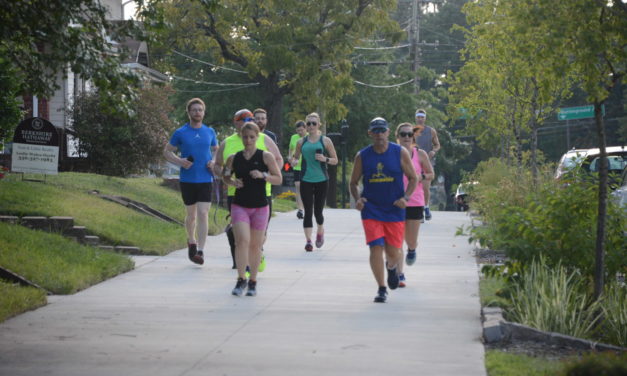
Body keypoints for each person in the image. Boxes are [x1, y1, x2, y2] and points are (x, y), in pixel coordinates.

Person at [349, 117, 418, 303]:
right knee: (375, 247)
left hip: (394, 208)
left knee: (394, 251)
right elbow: (353, 183)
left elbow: (413, 178)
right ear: (370, 133)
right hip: (371, 209)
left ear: (388, 132)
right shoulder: (362, 156)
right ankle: (381, 288)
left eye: (382, 130)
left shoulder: (400, 153)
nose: (379, 134)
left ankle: (392, 267)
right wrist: (358, 199)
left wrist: (406, 198)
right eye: (375, 131)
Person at [214, 109, 283, 269]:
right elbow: (218, 165)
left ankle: (257, 251)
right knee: (238, 233)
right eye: (242, 119)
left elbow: (278, 159)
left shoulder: (264, 139)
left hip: (262, 194)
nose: (247, 121)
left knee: (258, 235)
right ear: (235, 122)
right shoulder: (227, 142)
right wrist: (227, 179)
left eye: (250, 118)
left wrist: (267, 174)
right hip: (236, 194)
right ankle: (240, 264)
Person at [222, 122, 282, 296]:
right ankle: (241, 279)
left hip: (260, 206)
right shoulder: (234, 158)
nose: (248, 140)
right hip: (240, 204)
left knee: (255, 246)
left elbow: (278, 178)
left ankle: (253, 281)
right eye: (245, 137)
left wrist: (263, 175)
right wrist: (232, 182)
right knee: (241, 241)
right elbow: (225, 176)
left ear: (257, 137)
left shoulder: (266, 157)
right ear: (241, 137)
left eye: (251, 137)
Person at [163, 98, 218, 265]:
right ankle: (191, 240)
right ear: (189, 112)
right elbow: (167, 151)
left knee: (203, 213)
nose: (197, 112)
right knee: (191, 216)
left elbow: (216, 150)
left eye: (200, 110)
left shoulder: (210, 132)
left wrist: (214, 161)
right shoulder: (180, 132)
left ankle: (200, 251)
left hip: (205, 178)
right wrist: (180, 161)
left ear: (204, 112)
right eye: (194, 110)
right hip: (187, 179)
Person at [290, 113, 338, 252]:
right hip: (305, 178)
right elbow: (295, 158)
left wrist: (325, 159)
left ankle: (321, 229)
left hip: (322, 179)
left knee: (318, 211)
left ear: (319, 125)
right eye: (308, 124)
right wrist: (293, 161)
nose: (311, 126)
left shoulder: (325, 141)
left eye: (313, 123)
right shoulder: (301, 142)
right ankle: (308, 241)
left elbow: (335, 160)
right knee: (308, 210)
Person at [395, 122, 434, 287]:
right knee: (396, 241)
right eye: (403, 135)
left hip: (415, 201)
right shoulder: (391, 153)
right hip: (395, 201)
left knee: (410, 240)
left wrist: (421, 178)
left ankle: (412, 249)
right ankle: (399, 274)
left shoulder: (420, 154)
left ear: (413, 137)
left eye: (409, 135)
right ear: (397, 137)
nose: (406, 138)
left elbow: (432, 174)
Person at [414, 109, 440, 221]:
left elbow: (437, 145)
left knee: (425, 187)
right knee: (415, 187)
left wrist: (434, 151)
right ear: (416, 118)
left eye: (422, 117)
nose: (420, 119)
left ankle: (426, 207)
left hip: (427, 162)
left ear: (425, 118)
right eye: (418, 117)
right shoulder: (411, 130)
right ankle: (419, 211)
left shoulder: (431, 131)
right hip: (414, 162)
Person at [288, 120, 307, 219]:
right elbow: (290, 150)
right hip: (297, 166)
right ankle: (300, 210)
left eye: (301, 130)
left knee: (307, 188)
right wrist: (290, 159)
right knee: (298, 186)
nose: (300, 132)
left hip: (307, 166)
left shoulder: (309, 137)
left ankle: (307, 207)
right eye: (298, 130)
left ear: (305, 128)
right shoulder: (293, 138)